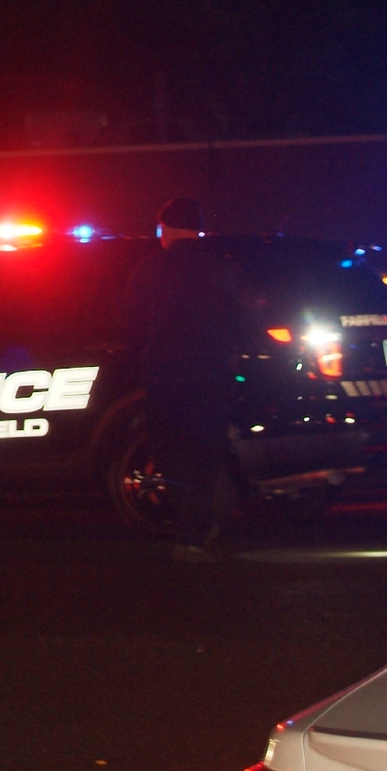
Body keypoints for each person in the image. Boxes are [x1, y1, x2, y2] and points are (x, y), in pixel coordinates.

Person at [125, 197, 248, 562]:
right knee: (204, 456)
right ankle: (195, 533)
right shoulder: (224, 268)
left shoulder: (149, 269)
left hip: (165, 376)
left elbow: (130, 322)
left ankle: (191, 527)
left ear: (164, 227)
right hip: (211, 376)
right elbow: (247, 317)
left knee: (168, 452)